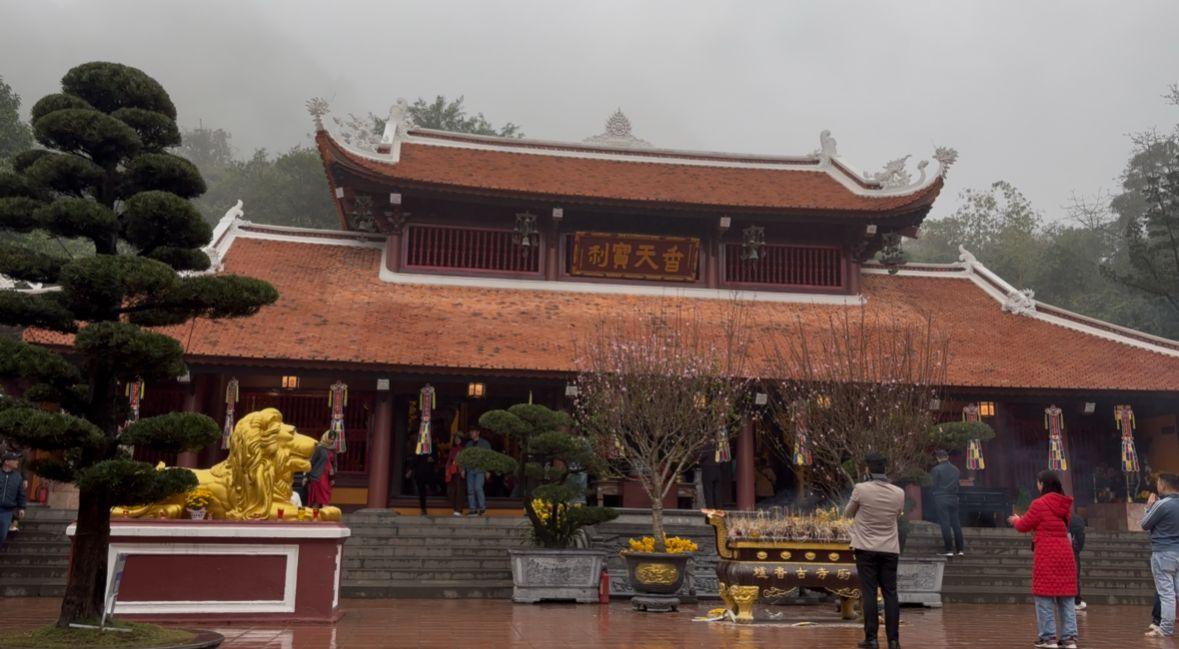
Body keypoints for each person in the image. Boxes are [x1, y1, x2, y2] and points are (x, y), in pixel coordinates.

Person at [1008, 470, 1078, 649]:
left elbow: (1024, 526)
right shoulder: (1064, 505)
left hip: (1046, 553)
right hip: (1065, 553)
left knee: (1044, 596)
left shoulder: (1039, 504)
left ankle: (1049, 638)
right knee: (1066, 597)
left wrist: (1016, 520)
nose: (1037, 485)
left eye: (1038, 482)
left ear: (1043, 484)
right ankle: (1069, 639)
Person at [844, 452, 905, 649]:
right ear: (884, 469)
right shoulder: (899, 492)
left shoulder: (861, 489)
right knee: (891, 593)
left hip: (865, 548)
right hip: (889, 549)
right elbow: (897, 515)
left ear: (868, 469)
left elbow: (848, 513)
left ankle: (871, 638)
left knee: (869, 593)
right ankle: (894, 640)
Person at [1142, 472, 1179, 638]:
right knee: (1176, 591)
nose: (1156, 486)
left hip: (1163, 552)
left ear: (1163, 485)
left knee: (1166, 593)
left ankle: (1165, 629)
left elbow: (1145, 524)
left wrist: (1148, 507)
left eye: (1157, 483)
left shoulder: (1162, 504)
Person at [930, 449, 964, 557]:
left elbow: (933, 484)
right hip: (953, 498)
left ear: (938, 458)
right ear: (947, 457)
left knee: (945, 523)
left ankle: (949, 549)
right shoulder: (956, 469)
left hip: (941, 497)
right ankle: (960, 549)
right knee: (956, 524)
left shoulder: (936, 469)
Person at [1, 452, 27, 548]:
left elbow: (21, 494)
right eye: (15, 460)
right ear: (7, 462)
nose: (17, 462)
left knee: (2, 535)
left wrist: (22, 507)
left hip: (6, 511)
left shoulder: (18, 477)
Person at [465, 429, 491, 516]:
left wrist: (487, 470)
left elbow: (488, 457)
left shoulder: (485, 443)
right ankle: (473, 509)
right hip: (470, 469)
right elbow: (465, 457)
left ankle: (482, 508)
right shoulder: (468, 444)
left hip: (480, 469)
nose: (471, 433)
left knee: (478, 488)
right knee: (470, 490)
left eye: (473, 432)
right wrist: (463, 469)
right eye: (470, 432)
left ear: (478, 432)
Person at [307, 431, 336, 508]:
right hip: (319, 476)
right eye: (330, 439)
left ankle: (323, 517)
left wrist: (332, 478)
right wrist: (306, 475)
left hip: (327, 477)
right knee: (318, 499)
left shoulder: (331, 449)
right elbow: (312, 462)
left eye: (333, 439)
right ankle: (315, 518)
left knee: (325, 497)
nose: (332, 441)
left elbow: (332, 464)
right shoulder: (319, 449)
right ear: (326, 438)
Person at [444, 432, 466, 517]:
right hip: (452, 472)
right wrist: (446, 470)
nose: (457, 440)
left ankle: (459, 510)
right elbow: (449, 460)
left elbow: (465, 462)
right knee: (450, 491)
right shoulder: (453, 449)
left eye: (459, 438)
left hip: (460, 472)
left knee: (460, 491)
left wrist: (464, 470)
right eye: (456, 438)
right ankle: (455, 508)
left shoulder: (464, 449)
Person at [1069, 509, 1086, 611]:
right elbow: (1081, 538)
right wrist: (1078, 549)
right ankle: (1076, 600)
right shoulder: (1077, 520)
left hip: (1056, 549)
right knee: (1074, 575)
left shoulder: (1055, 517)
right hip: (1072, 550)